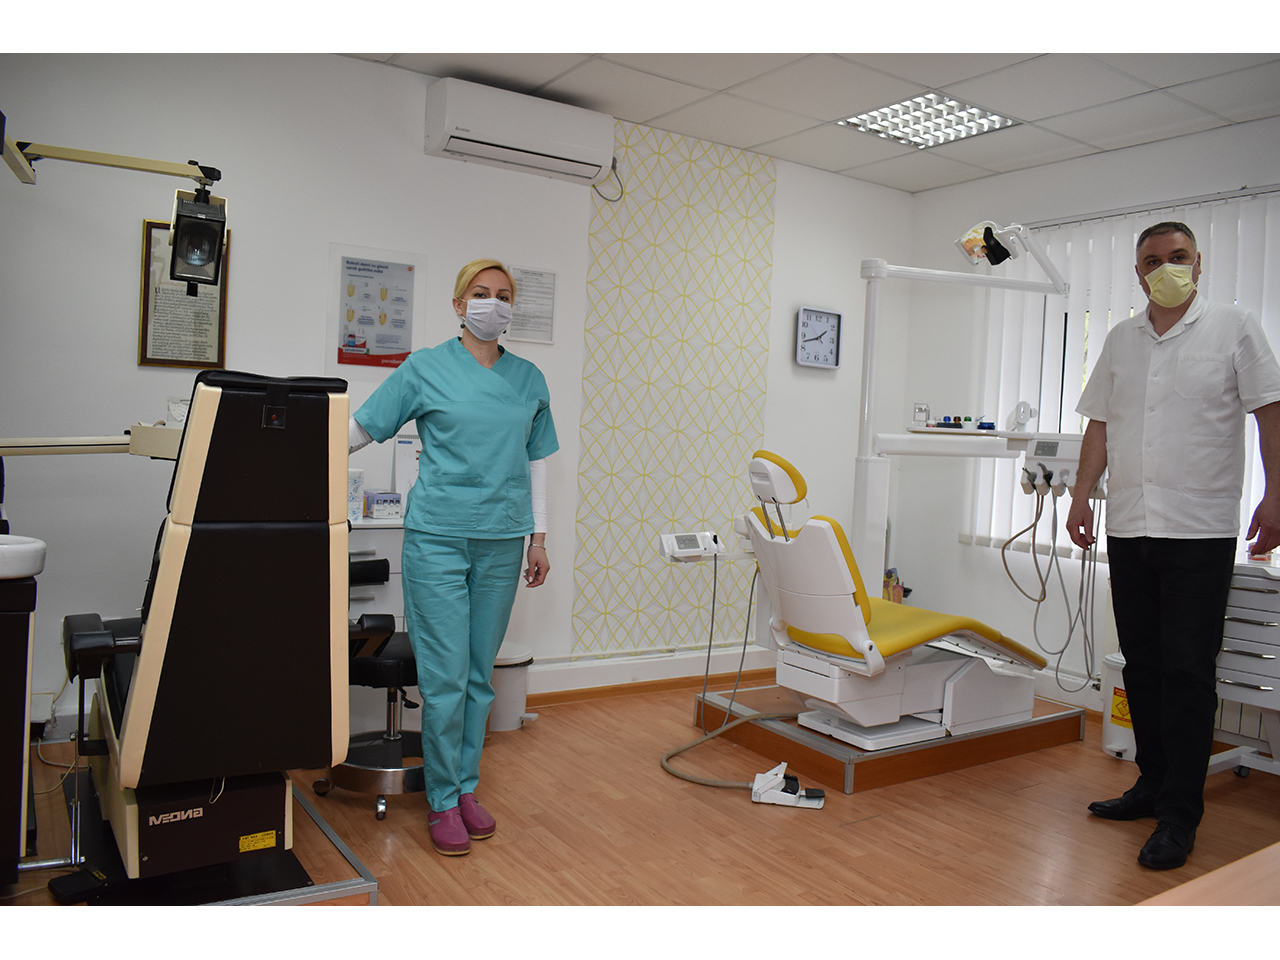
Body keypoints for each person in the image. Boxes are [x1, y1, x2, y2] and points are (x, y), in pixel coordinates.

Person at [1066, 221, 1280, 870]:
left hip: (1199, 530)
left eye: (1178, 256)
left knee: (1187, 672)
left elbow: (1270, 412)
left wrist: (1276, 495)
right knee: (1143, 666)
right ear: (1138, 274)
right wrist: (1081, 494)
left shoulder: (1235, 328)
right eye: (1153, 261)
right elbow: (1100, 423)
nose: (1166, 268)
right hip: (1130, 525)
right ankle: (1151, 784)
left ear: (1199, 262)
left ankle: (1181, 814)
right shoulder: (1121, 339)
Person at [349, 259, 558, 856]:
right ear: (459, 304)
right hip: (438, 536)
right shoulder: (425, 367)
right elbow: (362, 429)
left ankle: (466, 788)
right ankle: (441, 800)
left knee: (477, 676)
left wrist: (539, 538)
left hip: (503, 538)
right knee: (444, 677)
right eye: (481, 293)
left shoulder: (529, 379)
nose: (493, 303)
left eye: (503, 295)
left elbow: (536, 462)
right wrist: (299, 444)